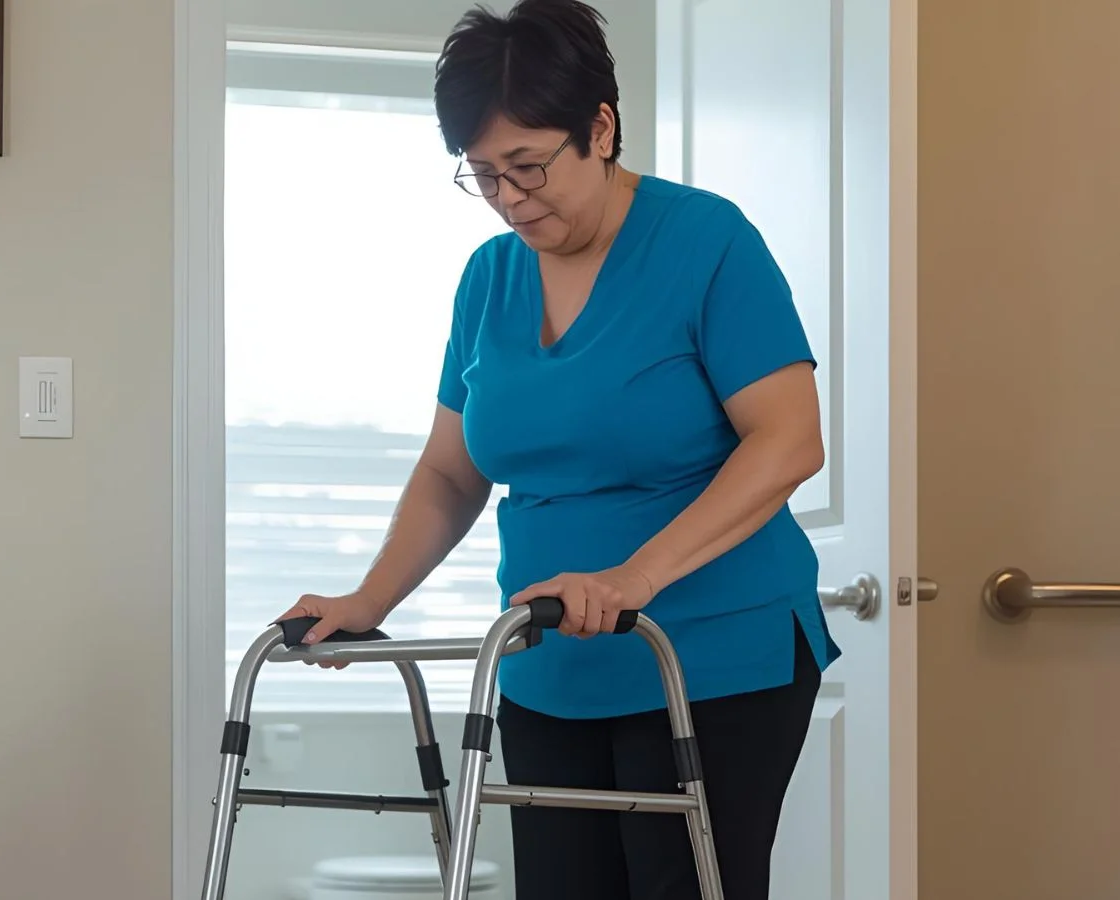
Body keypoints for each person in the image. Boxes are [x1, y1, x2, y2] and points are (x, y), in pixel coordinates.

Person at [274, 1, 840, 896]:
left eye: (528, 166)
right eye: (484, 176)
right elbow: (451, 471)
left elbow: (789, 441)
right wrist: (367, 597)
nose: (509, 198)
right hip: (547, 666)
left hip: (707, 657)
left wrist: (631, 581)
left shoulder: (707, 241)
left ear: (600, 128)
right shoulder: (489, 279)